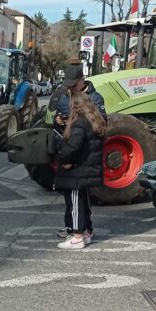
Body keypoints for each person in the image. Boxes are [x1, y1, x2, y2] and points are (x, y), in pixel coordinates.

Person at [54, 93, 106, 249]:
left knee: (75, 202)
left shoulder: (80, 124)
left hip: (77, 170)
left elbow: (73, 146)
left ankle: (77, 237)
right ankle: (85, 233)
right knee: (84, 201)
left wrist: (63, 159)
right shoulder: (95, 121)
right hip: (87, 168)